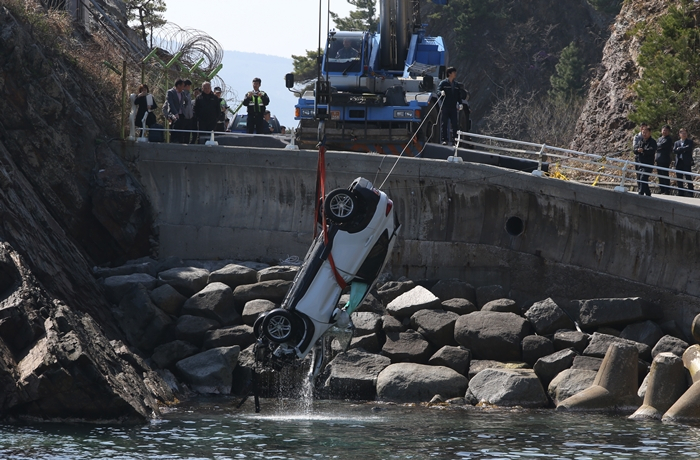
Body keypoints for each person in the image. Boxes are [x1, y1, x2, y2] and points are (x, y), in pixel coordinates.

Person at [437, 66, 466, 145]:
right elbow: (438, 90)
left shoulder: (456, 85)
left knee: (455, 124)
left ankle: (455, 140)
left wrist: (460, 103)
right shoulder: (443, 83)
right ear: (449, 73)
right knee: (444, 124)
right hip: (445, 106)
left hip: (453, 107)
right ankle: (444, 139)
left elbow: (458, 96)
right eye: (454, 72)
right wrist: (441, 92)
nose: (455, 74)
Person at [634, 125, 656, 196]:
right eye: (643, 132)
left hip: (648, 164)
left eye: (646, 132)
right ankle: (648, 194)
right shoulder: (640, 141)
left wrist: (644, 150)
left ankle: (640, 193)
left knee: (643, 177)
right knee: (640, 178)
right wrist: (637, 150)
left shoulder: (653, 142)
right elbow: (635, 149)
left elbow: (652, 150)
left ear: (650, 132)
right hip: (640, 163)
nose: (644, 134)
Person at [674, 128, 695, 197]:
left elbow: (688, 148)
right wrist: (682, 149)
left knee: (688, 177)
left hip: (686, 161)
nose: (684, 135)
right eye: (683, 133)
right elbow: (674, 151)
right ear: (679, 134)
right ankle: (680, 192)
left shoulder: (689, 141)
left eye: (685, 133)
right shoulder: (677, 143)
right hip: (679, 161)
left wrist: (680, 149)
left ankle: (690, 192)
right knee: (679, 177)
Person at [166, 78, 188, 143]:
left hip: (181, 113)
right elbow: (170, 103)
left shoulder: (183, 93)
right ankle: (173, 142)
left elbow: (186, 101)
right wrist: (175, 113)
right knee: (174, 128)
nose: (183, 88)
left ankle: (181, 142)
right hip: (173, 114)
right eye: (182, 86)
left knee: (181, 129)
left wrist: (183, 107)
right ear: (178, 85)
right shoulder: (170, 92)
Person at [655, 125, 674, 194]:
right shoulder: (659, 139)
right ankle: (661, 189)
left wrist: (658, 145)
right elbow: (656, 146)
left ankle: (667, 190)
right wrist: (658, 146)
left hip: (665, 159)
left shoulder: (669, 139)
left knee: (665, 174)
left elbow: (661, 145)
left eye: (666, 130)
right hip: (658, 158)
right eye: (664, 130)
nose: (664, 132)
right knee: (659, 174)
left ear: (668, 132)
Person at [183, 79, 195, 144]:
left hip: (189, 118)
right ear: (187, 86)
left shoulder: (188, 94)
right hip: (184, 117)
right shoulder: (182, 94)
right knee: (184, 135)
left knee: (187, 135)